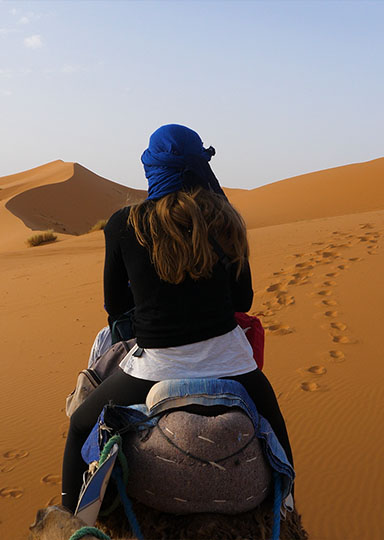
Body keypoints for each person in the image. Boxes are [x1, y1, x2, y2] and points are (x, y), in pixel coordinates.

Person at [60, 124, 294, 512]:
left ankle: (68, 520)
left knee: (80, 425)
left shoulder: (124, 224)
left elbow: (115, 306)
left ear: (152, 167)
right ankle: (286, 506)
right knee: (278, 431)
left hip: (154, 367)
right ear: (199, 166)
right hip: (232, 363)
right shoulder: (226, 219)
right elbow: (244, 299)